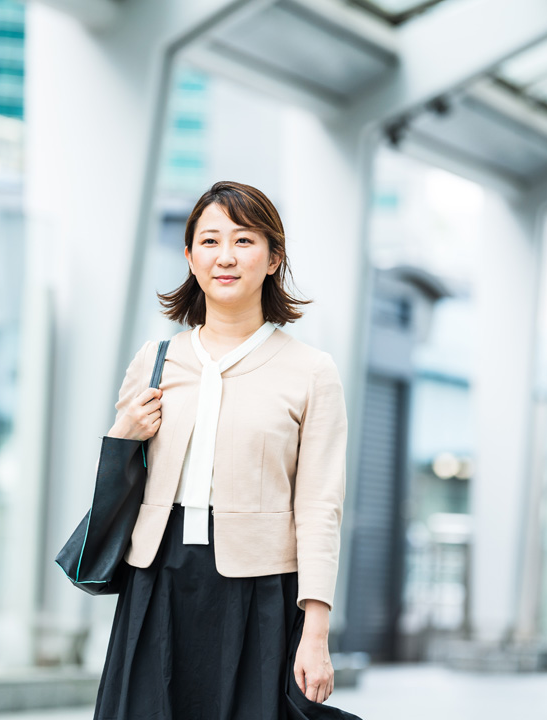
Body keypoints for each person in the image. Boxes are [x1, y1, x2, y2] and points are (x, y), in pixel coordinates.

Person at [93, 181, 362, 720]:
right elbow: (120, 482)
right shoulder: (155, 359)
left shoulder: (312, 372)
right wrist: (125, 429)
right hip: (157, 579)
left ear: (273, 257)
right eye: (210, 241)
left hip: (260, 592)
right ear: (190, 257)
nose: (226, 257)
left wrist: (316, 630)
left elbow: (319, 508)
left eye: (244, 241)